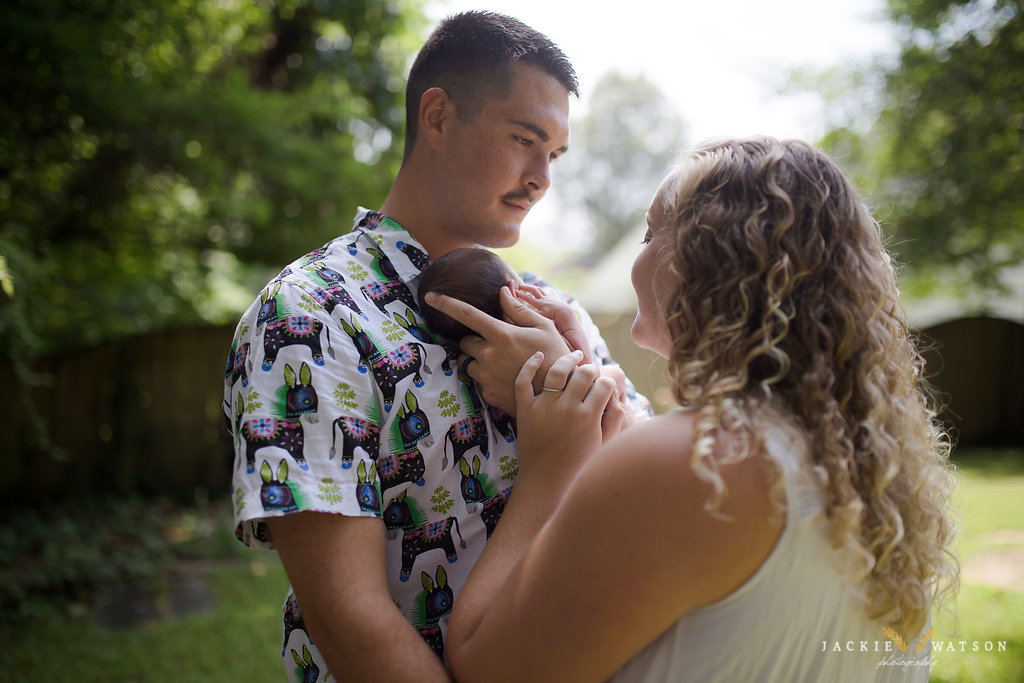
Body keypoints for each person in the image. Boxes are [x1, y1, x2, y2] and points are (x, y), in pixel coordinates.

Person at [430, 137, 959, 681]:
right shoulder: (855, 459)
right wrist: (580, 372)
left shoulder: (690, 466)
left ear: (702, 262)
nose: (638, 254)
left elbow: (485, 667)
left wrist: (551, 466)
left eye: (649, 234)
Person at [222, 11, 649, 683]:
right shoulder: (314, 314)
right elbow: (349, 620)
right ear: (439, 116)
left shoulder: (548, 308)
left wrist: (567, 374)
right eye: (524, 139)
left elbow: (651, 483)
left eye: (555, 155)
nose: (543, 178)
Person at [416, 247, 593, 359]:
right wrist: (567, 316)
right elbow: (583, 363)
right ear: (513, 291)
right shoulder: (535, 336)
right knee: (612, 376)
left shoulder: (488, 357)